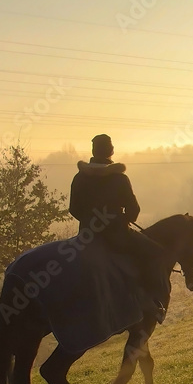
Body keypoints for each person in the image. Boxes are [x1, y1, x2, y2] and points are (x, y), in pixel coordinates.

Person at [69, 134, 167, 323]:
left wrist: (91, 223)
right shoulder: (119, 178)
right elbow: (134, 208)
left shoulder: (79, 177)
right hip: (117, 234)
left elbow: (74, 209)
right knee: (155, 253)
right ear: (111, 151)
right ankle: (150, 303)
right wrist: (124, 220)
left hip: (87, 236)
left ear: (93, 151)